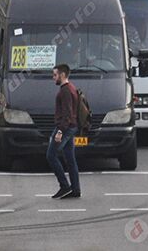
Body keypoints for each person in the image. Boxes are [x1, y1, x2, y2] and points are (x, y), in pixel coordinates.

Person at [47, 64, 81, 199]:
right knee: (70, 158)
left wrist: (60, 132)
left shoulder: (65, 91)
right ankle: (75, 189)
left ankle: (64, 186)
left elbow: (67, 114)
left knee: (51, 155)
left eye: (55, 75)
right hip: (71, 127)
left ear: (62, 75)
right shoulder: (71, 87)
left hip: (65, 127)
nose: (53, 78)